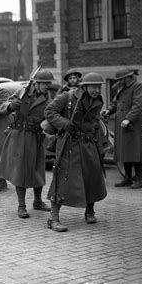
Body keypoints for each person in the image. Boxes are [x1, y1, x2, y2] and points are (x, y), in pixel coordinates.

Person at [44, 72, 108, 232]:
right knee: (62, 178)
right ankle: (53, 218)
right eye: (94, 87)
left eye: (98, 87)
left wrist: (101, 142)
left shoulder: (98, 100)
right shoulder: (68, 96)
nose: (97, 90)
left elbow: (94, 121)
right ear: (85, 86)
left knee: (92, 175)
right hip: (69, 142)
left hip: (88, 142)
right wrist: (64, 123)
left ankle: (90, 210)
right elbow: (49, 111)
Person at [0, 70, 54, 218]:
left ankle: (38, 201)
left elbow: (50, 114)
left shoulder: (47, 97)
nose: (48, 86)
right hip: (20, 134)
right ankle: (21, 205)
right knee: (20, 170)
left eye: (49, 83)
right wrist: (11, 106)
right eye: (45, 83)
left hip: (36, 136)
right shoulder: (22, 92)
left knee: (37, 168)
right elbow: (3, 107)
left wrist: (48, 124)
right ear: (37, 83)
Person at [101, 67, 142, 189]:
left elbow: (138, 105)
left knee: (135, 151)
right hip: (121, 124)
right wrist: (109, 111)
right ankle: (127, 178)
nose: (119, 81)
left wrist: (128, 118)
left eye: (121, 79)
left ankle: (138, 179)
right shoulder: (121, 88)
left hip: (133, 125)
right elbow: (115, 103)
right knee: (124, 151)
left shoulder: (137, 86)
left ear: (127, 78)